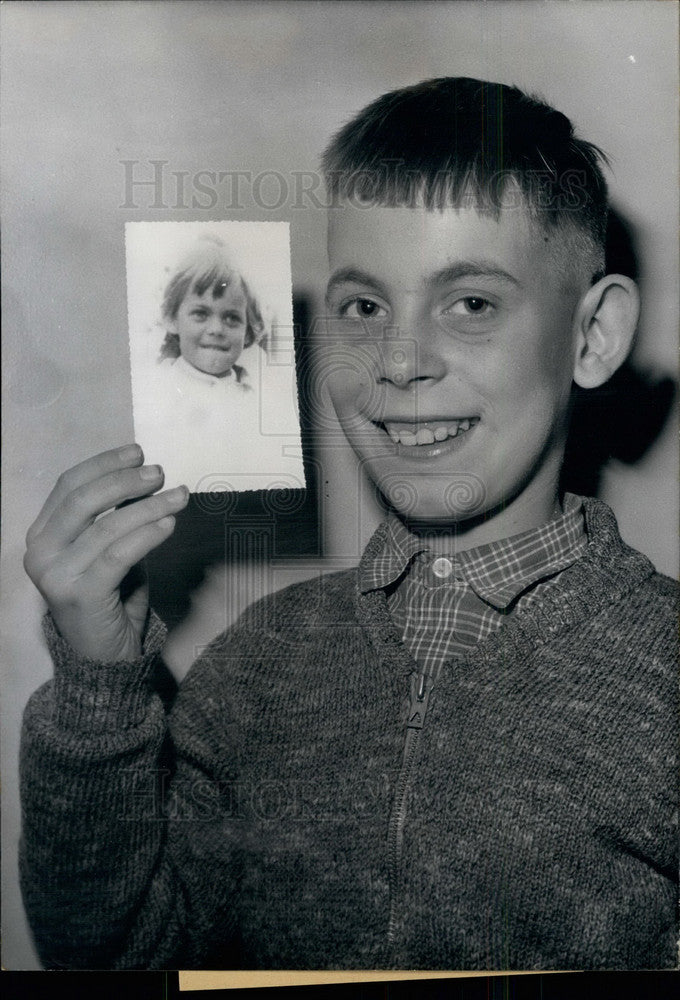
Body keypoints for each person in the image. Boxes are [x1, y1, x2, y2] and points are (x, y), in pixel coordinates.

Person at [20, 78, 677, 970]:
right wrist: (100, 678)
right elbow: (114, 953)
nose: (400, 363)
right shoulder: (260, 662)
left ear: (593, 336)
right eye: (364, 309)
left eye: (472, 304)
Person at [133, 233, 302, 493]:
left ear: (248, 331)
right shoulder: (156, 391)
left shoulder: (258, 399)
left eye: (232, 318)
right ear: (172, 319)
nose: (216, 329)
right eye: (200, 314)